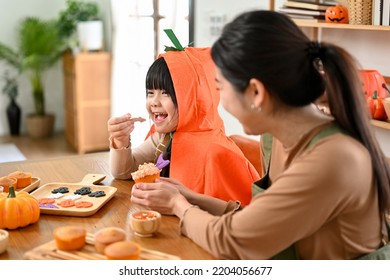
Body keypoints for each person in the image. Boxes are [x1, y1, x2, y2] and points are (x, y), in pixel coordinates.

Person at [130, 10, 390, 259]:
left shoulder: (332, 158)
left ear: (256, 92)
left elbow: (233, 240)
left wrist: (179, 205)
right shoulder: (277, 137)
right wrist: (190, 197)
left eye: (220, 87)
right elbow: (258, 218)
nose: (220, 101)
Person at [107, 47, 260, 205]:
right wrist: (121, 140)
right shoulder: (167, 136)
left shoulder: (216, 153)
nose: (154, 101)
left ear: (192, 99)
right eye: (150, 92)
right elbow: (125, 172)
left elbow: (233, 218)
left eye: (166, 93)